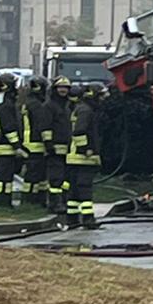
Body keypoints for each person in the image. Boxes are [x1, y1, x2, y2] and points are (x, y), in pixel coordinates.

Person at [66, 83, 103, 230]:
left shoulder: (81, 108)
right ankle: (88, 219)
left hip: (74, 157)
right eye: (100, 95)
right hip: (82, 158)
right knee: (84, 187)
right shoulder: (86, 111)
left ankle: (72, 219)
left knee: (74, 190)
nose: (103, 99)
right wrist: (85, 149)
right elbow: (79, 132)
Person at [0, 72, 22, 209]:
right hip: (5, 147)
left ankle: (3, 200)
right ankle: (3, 202)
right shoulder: (6, 105)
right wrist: (16, 145)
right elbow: (9, 127)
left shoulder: (2, 102)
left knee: (5, 177)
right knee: (5, 177)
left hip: (2, 146)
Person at [21, 75, 54, 208]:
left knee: (36, 175)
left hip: (29, 143)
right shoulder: (37, 105)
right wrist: (48, 143)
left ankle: (35, 199)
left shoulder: (28, 102)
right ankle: (31, 200)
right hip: (36, 144)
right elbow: (41, 125)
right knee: (35, 175)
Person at [47, 77, 76, 216]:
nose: (63, 90)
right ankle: (54, 203)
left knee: (66, 178)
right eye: (60, 87)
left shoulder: (69, 106)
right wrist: (49, 144)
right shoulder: (50, 106)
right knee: (56, 178)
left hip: (68, 148)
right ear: (55, 89)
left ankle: (64, 201)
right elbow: (45, 126)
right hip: (55, 148)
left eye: (66, 87)